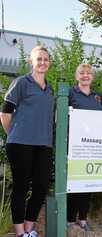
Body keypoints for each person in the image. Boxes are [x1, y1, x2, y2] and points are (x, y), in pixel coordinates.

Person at [0, 46, 54, 237]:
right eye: (38, 59)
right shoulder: (21, 82)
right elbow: (5, 113)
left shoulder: (50, 89)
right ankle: (19, 232)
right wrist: (12, 134)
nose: (42, 62)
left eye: (46, 59)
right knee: (21, 187)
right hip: (20, 143)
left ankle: (29, 229)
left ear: (50, 63)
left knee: (41, 187)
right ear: (31, 62)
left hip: (44, 145)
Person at [67, 64, 102, 231]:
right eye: (82, 73)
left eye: (88, 73)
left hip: (93, 146)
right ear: (77, 76)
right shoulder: (69, 93)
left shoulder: (98, 97)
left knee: (88, 183)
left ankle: (82, 219)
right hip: (76, 146)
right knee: (74, 182)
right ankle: (69, 220)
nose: (85, 75)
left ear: (92, 77)